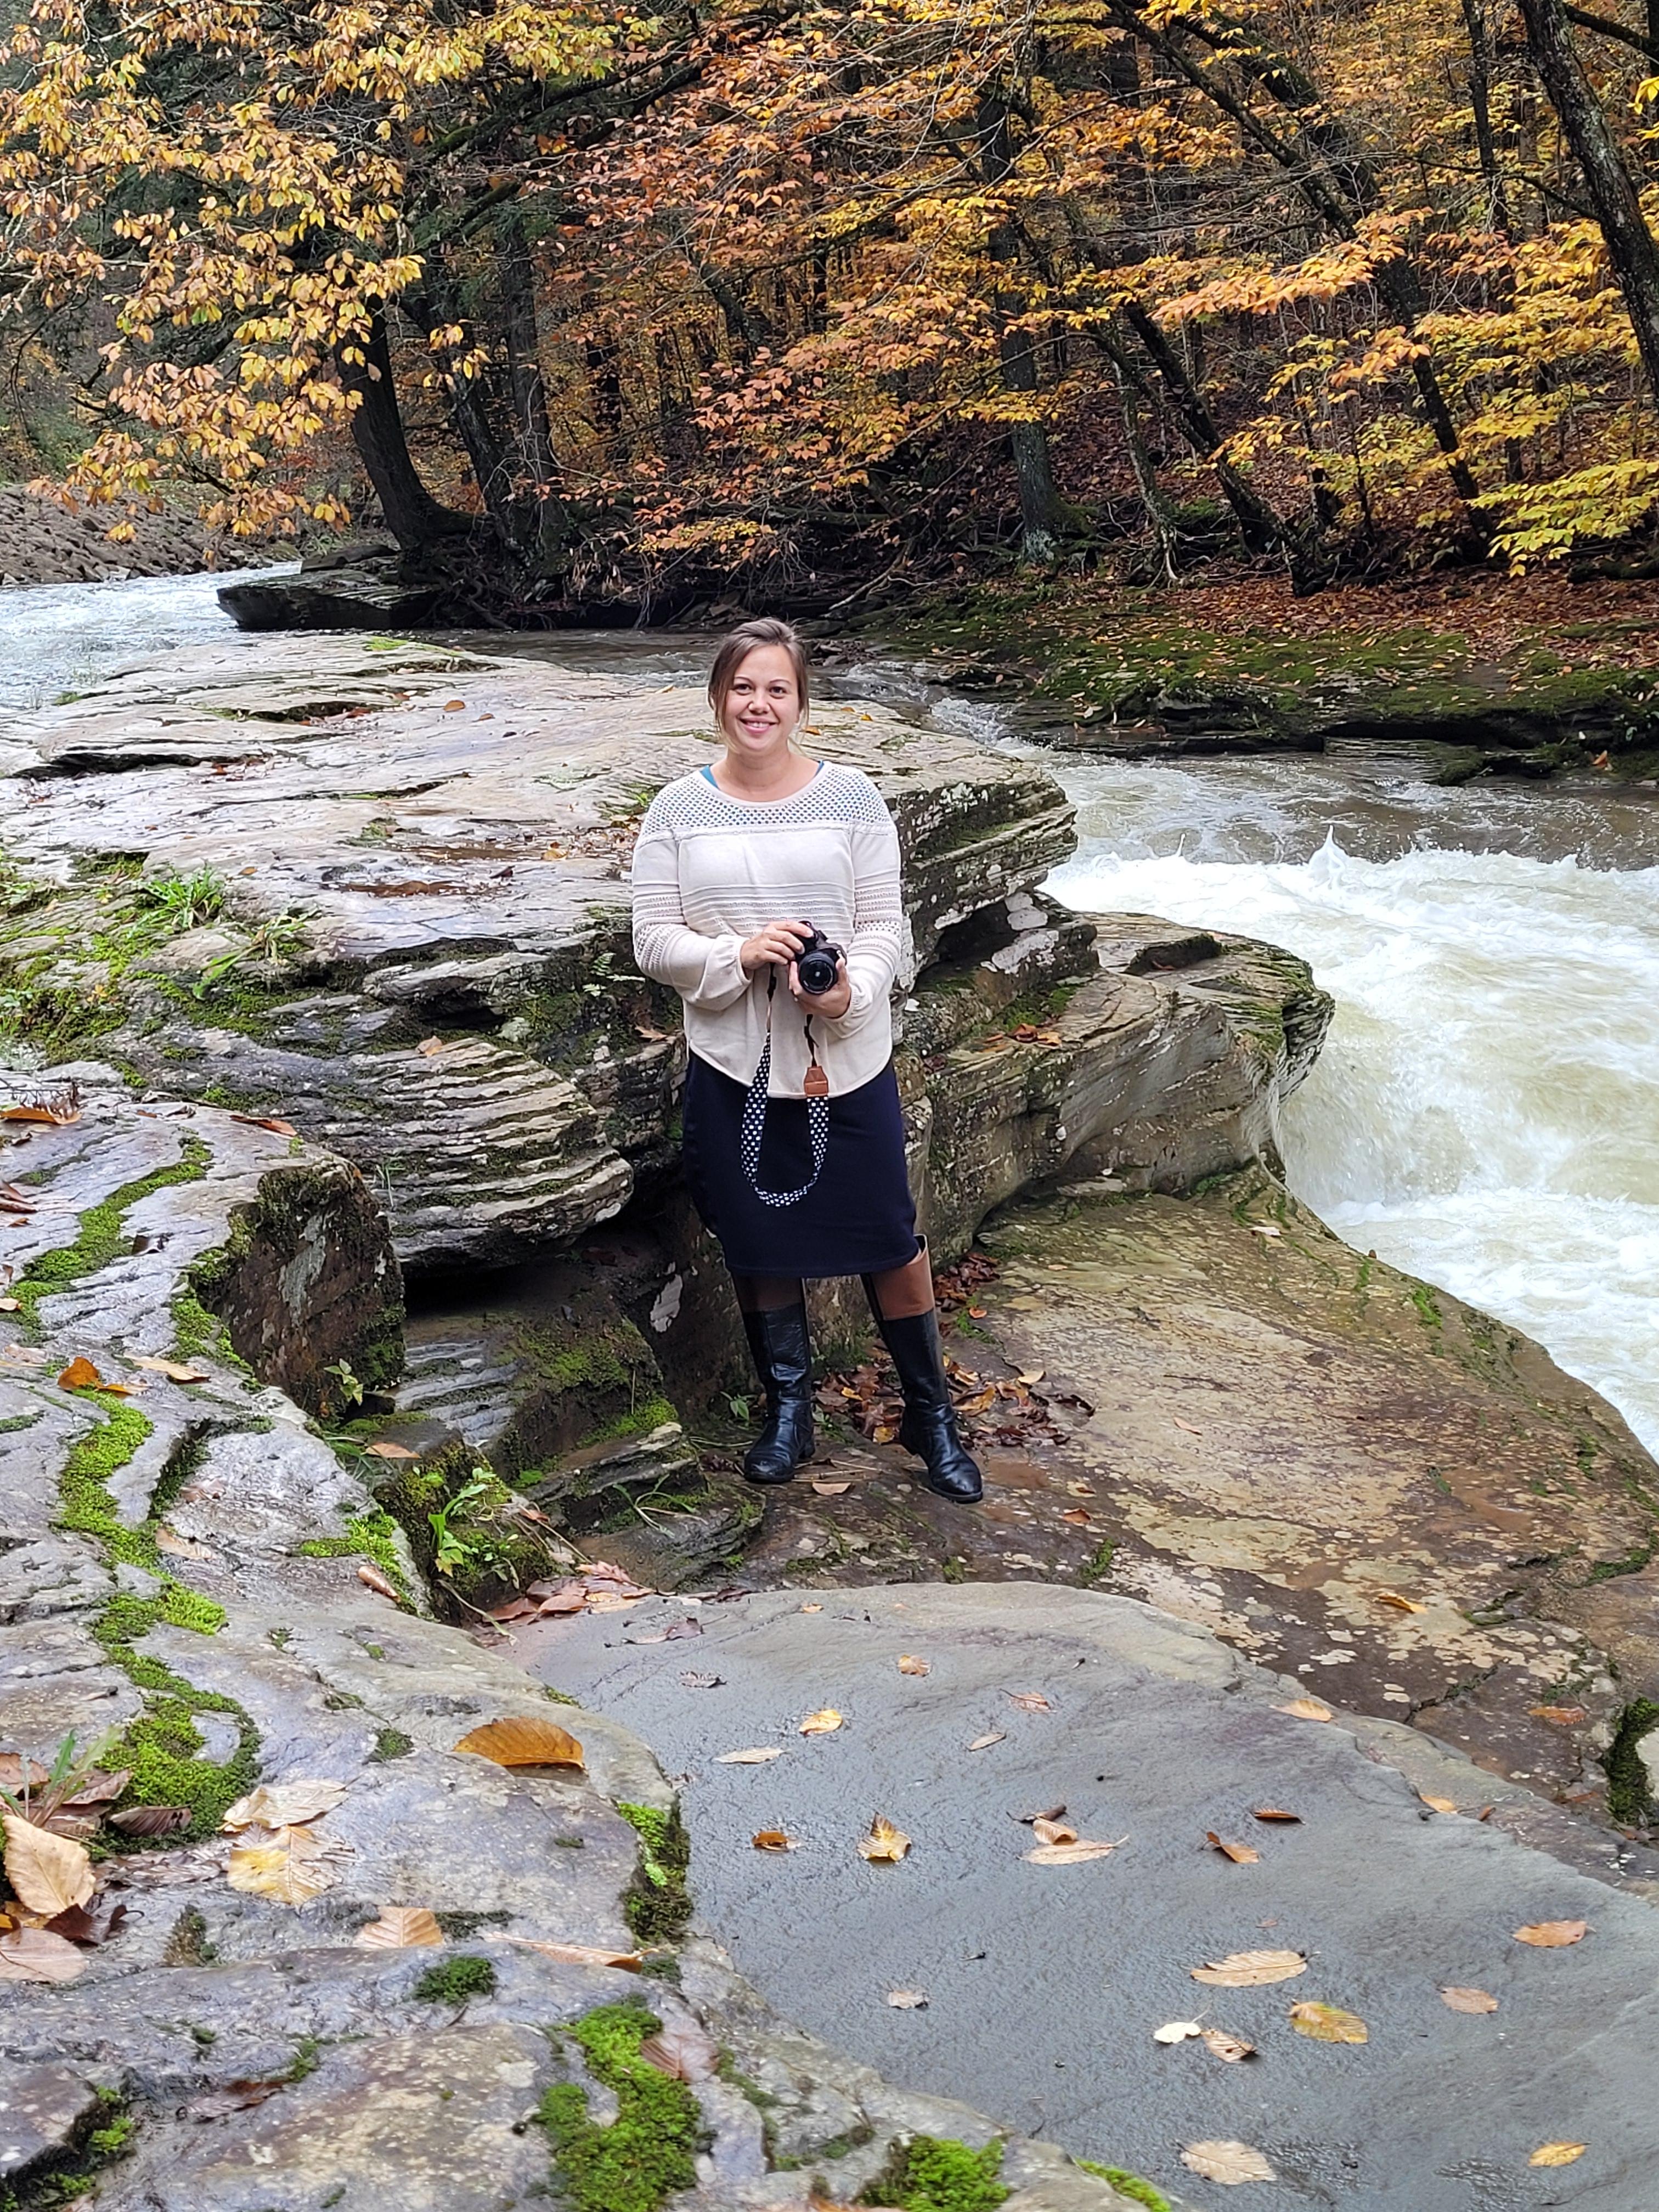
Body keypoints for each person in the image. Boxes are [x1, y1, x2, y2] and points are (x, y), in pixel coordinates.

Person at [630, 617, 982, 1504]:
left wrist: (845, 994)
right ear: (719, 699)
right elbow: (652, 941)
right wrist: (740, 954)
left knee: (888, 1236)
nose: (759, 705)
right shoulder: (677, 810)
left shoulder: (853, 799)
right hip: (734, 1065)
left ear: (800, 702)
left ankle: (930, 1415)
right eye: (743, 688)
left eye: (776, 689)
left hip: (845, 1062)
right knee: (759, 1239)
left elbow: (885, 926)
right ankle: (790, 1413)